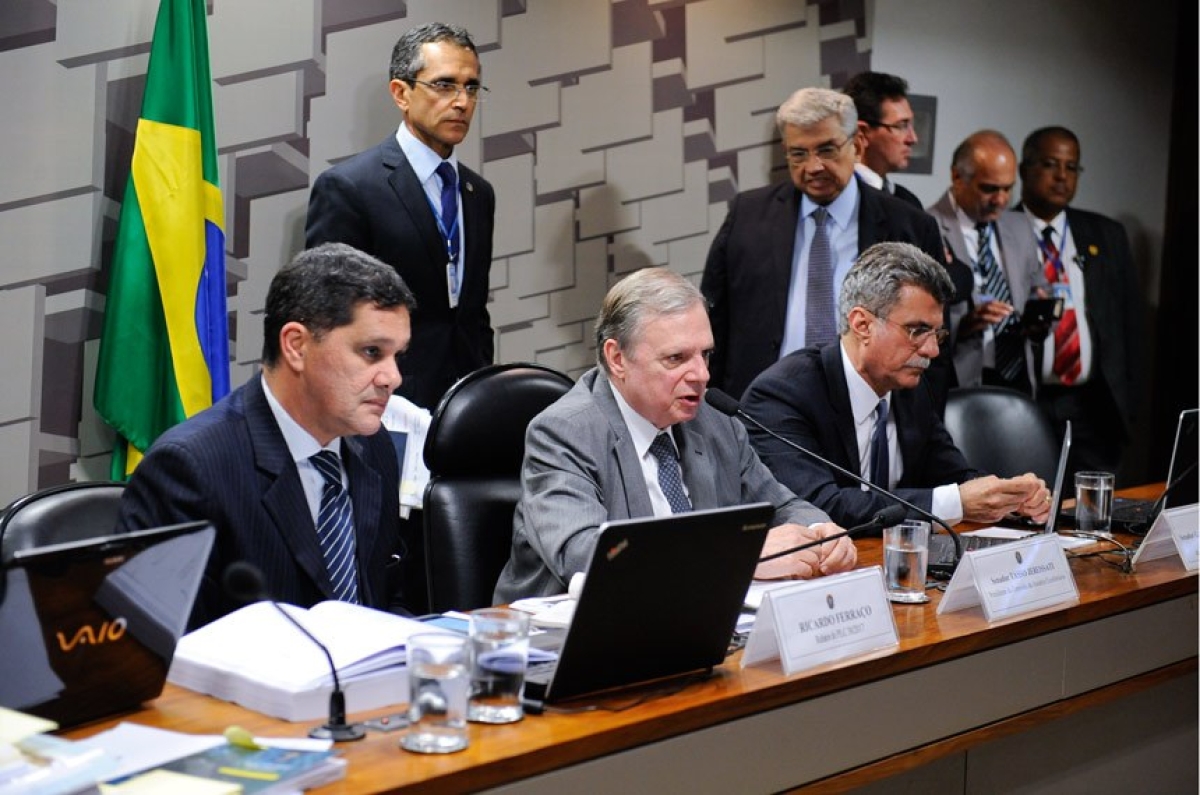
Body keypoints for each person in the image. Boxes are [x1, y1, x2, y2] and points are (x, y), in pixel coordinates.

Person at [494, 268, 857, 603]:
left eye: (706, 355)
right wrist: (738, 556)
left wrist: (821, 532)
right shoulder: (564, 433)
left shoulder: (716, 422)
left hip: (693, 621)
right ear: (617, 358)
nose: (701, 375)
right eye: (676, 359)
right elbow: (587, 554)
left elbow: (782, 507)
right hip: (562, 644)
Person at [116, 243, 422, 630]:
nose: (392, 378)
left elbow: (381, 599)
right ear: (296, 345)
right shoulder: (191, 468)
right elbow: (159, 645)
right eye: (372, 352)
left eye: (398, 356)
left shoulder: (373, 446)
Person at [742, 242, 1052, 530]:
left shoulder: (910, 386)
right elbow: (818, 507)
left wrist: (1009, 498)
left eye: (937, 334)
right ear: (862, 324)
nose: (932, 350)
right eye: (917, 331)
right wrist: (955, 502)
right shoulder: (782, 395)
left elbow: (954, 478)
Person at [700, 87, 950, 405]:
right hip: (760, 406)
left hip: (871, 406)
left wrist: (920, 432)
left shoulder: (909, 225)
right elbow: (712, 321)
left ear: (857, 144)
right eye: (798, 154)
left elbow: (935, 346)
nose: (813, 166)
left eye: (827, 149)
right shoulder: (747, 216)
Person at [306, 22, 495, 411]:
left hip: (466, 407)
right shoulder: (349, 188)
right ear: (401, 93)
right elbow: (328, 316)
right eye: (444, 85)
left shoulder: (478, 194)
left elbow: (473, 313)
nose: (461, 101)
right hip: (382, 406)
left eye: (471, 87)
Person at [1015, 126, 1142, 478]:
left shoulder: (1106, 234)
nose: (1061, 177)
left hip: (1093, 405)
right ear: (1025, 169)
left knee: (1093, 513)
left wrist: (1129, 406)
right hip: (1029, 400)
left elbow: (1130, 325)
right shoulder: (1000, 228)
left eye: (1071, 167)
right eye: (1051, 164)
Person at [928, 130, 1047, 393]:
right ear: (957, 177)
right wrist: (964, 325)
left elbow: (1038, 285)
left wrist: (1039, 315)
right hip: (958, 377)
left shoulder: (1020, 225)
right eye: (990, 189)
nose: (1001, 200)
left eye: (1008, 188)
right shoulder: (926, 227)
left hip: (1017, 373)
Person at [841, 71, 923, 208]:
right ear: (862, 133)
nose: (913, 139)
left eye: (910, 125)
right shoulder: (836, 198)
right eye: (901, 125)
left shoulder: (909, 202)